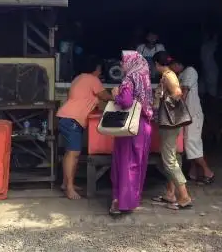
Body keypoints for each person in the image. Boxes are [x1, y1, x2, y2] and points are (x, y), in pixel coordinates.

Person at [57, 56, 112, 200]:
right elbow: (105, 96)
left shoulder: (79, 78)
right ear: (96, 69)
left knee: (70, 153)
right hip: (72, 119)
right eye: (100, 68)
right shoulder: (92, 79)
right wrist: (120, 96)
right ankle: (69, 189)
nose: (101, 71)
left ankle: (66, 183)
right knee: (73, 154)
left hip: (67, 117)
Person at [110, 51, 153, 215]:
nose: (121, 65)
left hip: (129, 126)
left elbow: (127, 102)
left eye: (123, 61)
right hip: (144, 125)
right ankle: (132, 200)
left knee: (125, 163)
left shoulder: (129, 79)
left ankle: (120, 202)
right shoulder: (145, 79)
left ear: (131, 62)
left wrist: (116, 96)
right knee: (137, 163)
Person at [151, 51, 193, 210]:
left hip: (169, 123)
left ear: (156, 64)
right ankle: (170, 193)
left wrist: (163, 101)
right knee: (173, 156)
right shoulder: (168, 74)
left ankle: (184, 196)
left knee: (169, 160)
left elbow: (177, 93)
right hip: (170, 124)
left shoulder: (169, 76)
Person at [169, 58, 215, 184]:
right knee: (188, 143)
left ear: (178, 63)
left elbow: (184, 93)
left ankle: (207, 172)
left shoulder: (190, 71)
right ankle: (193, 172)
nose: (171, 69)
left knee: (192, 143)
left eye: (172, 65)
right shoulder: (181, 75)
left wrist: (172, 105)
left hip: (193, 115)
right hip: (187, 115)